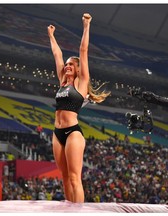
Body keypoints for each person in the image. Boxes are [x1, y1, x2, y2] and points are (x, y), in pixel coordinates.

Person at [47, 13, 110, 203]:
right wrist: (51, 36)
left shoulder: (81, 83)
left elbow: (83, 51)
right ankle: (69, 209)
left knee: (75, 178)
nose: (66, 66)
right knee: (65, 178)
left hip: (73, 133)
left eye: (71, 65)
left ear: (77, 69)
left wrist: (86, 26)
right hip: (57, 132)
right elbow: (57, 54)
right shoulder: (62, 83)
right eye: (66, 65)